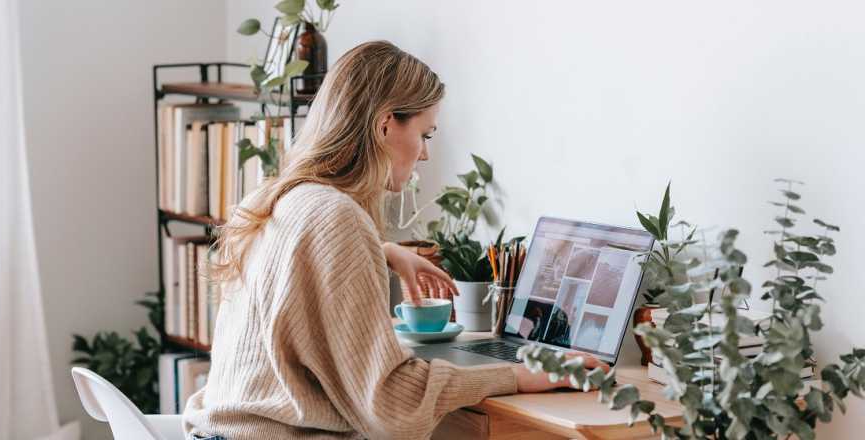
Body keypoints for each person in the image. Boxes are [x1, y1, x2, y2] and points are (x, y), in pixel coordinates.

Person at [183, 40, 608, 440]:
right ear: (385, 124)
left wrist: (383, 251)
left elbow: (295, 275)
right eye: (424, 134)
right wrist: (520, 375)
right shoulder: (336, 218)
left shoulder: (277, 197)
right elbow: (388, 404)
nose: (424, 154)